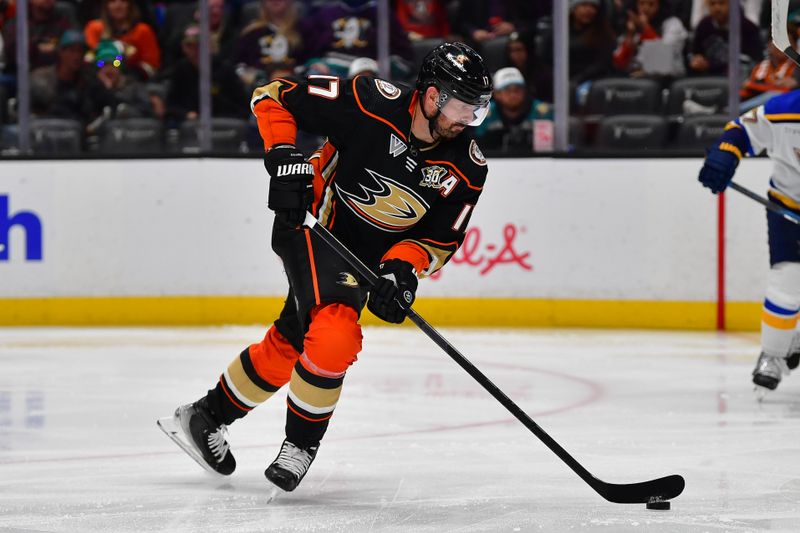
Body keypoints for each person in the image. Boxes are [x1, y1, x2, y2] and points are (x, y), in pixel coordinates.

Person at [159, 42, 493, 492]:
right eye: (460, 107)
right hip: (312, 223)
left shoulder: (468, 167)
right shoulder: (370, 100)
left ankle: (205, 415)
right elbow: (273, 94)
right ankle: (300, 445)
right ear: (432, 95)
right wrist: (282, 156)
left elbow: (438, 240)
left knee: (294, 340)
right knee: (334, 332)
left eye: (477, 112)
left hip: (363, 263)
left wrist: (400, 270)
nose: (466, 121)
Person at [698, 87, 800, 395]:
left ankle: (791, 341)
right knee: (787, 284)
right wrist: (724, 154)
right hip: (788, 209)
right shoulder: (783, 109)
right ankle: (772, 353)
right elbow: (742, 129)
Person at [165, 25, 248, 126]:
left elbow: (241, 106)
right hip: (192, 127)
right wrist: (185, 114)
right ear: (184, 48)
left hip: (224, 124)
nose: (195, 51)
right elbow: (171, 104)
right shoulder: (180, 70)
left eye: (199, 46)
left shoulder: (224, 69)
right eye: (190, 46)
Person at [475, 66, 553, 153]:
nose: (513, 95)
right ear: (497, 94)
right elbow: (477, 145)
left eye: (517, 90)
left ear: (524, 91)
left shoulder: (541, 113)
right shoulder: (485, 114)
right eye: (507, 90)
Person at [84, 0, 161, 79]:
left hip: (133, 82)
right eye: (113, 1)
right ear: (106, 6)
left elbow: (152, 66)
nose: (118, 6)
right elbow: (89, 58)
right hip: (98, 79)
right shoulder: (94, 28)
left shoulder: (143, 31)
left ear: (130, 4)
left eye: (123, 1)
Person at [611, 0, 688, 78]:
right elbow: (618, 64)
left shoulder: (672, 24)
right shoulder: (631, 25)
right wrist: (630, 37)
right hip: (634, 80)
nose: (645, 8)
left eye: (651, 4)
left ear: (660, 6)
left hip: (665, 79)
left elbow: (664, 59)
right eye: (641, 4)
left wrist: (645, 28)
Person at [688, 0, 762, 77]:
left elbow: (755, 62)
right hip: (708, 79)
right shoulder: (703, 26)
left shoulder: (748, 27)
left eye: (721, 3)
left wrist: (712, 65)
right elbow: (695, 55)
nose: (717, 8)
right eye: (712, 4)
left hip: (740, 78)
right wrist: (698, 61)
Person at [30, 29, 92, 121]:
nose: (77, 56)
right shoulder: (39, 78)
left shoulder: (87, 81)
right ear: (61, 52)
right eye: (72, 50)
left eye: (81, 51)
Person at [739, 42, 799, 112]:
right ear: (769, 46)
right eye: (776, 44)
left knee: (773, 95)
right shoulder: (760, 66)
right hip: (757, 97)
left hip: (784, 101)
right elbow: (747, 86)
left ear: (794, 47)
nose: (781, 48)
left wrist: (753, 85)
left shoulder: (796, 67)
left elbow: (785, 90)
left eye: (787, 43)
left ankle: (738, 110)